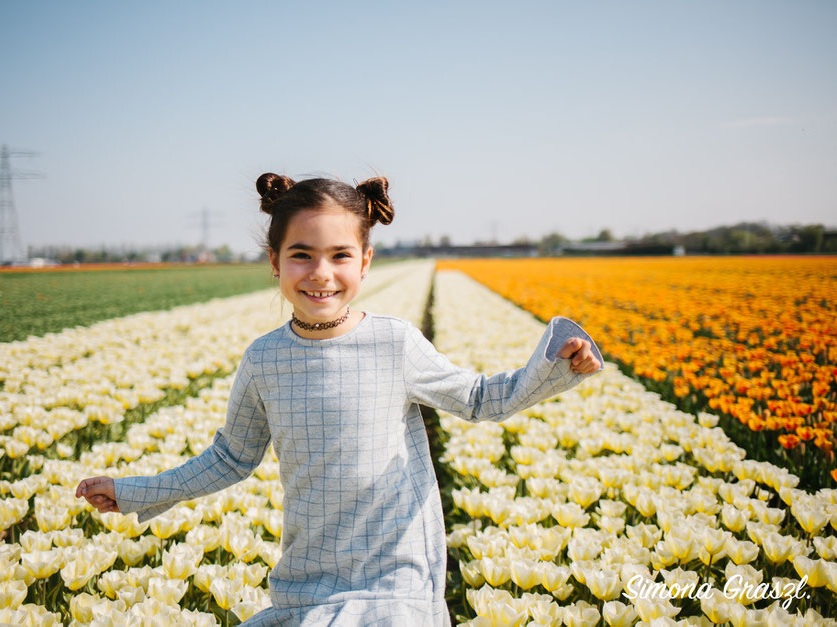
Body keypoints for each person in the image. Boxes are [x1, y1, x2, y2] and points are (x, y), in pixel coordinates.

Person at [76, 172, 604, 625]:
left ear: (365, 261)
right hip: (308, 578)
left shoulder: (393, 343)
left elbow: (480, 399)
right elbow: (231, 458)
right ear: (275, 262)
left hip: (395, 579)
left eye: (340, 255)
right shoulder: (265, 360)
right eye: (301, 255)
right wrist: (136, 491)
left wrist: (558, 365)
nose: (321, 273)